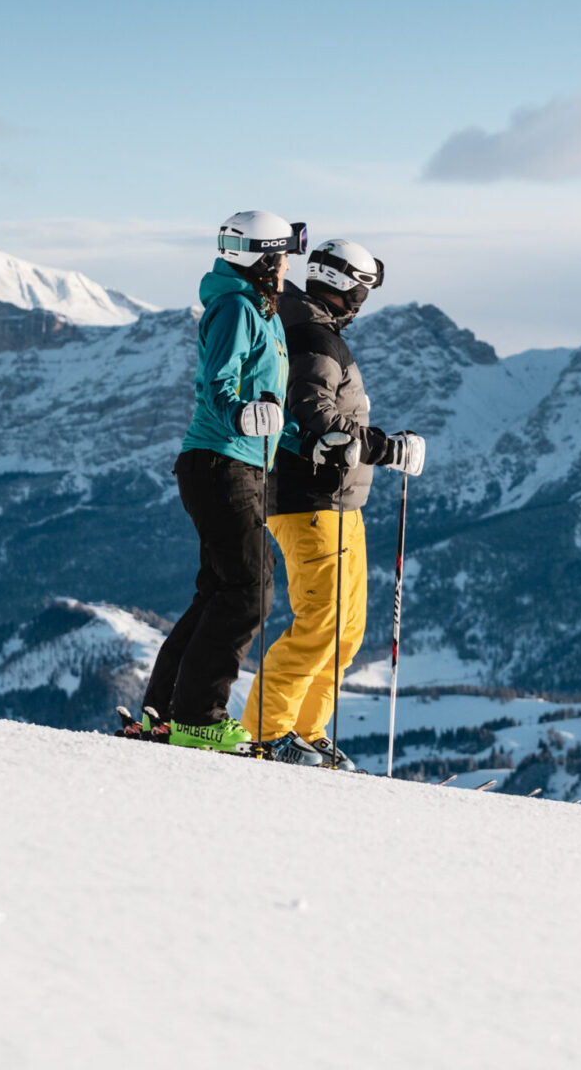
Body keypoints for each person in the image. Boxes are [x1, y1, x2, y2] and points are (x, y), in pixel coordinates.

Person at [242, 238, 425, 769]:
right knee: (320, 622)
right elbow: (314, 413)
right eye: (363, 290)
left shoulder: (309, 327)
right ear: (347, 288)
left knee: (345, 630)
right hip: (309, 498)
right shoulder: (311, 336)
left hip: (339, 500)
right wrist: (386, 448)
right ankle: (268, 732)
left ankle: (306, 730)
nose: (363, 303)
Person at [139, 210, 305, 752]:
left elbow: (272, 404)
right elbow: (219, 382)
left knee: (220, 589)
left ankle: (161, 713)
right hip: (220, 461)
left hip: (241, 463)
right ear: (260, 260)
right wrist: (239, 415)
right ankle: (200, 718)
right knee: (250, 589)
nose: (284, 268)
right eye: (279, 257)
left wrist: (308, 438)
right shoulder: (236, 308)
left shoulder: (264, 312)